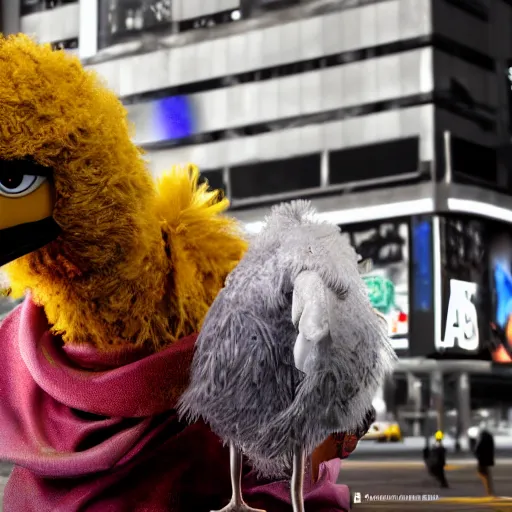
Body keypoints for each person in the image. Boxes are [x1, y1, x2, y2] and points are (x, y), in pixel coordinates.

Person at [474, 428, 495, 496]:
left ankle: (489, 490)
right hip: (487, 459)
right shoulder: (489, 439)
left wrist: (477, 455)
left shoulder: (482, 440)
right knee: (486, 474)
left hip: (482, 459)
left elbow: (478, 449)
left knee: (482, 473)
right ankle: (489, 490)